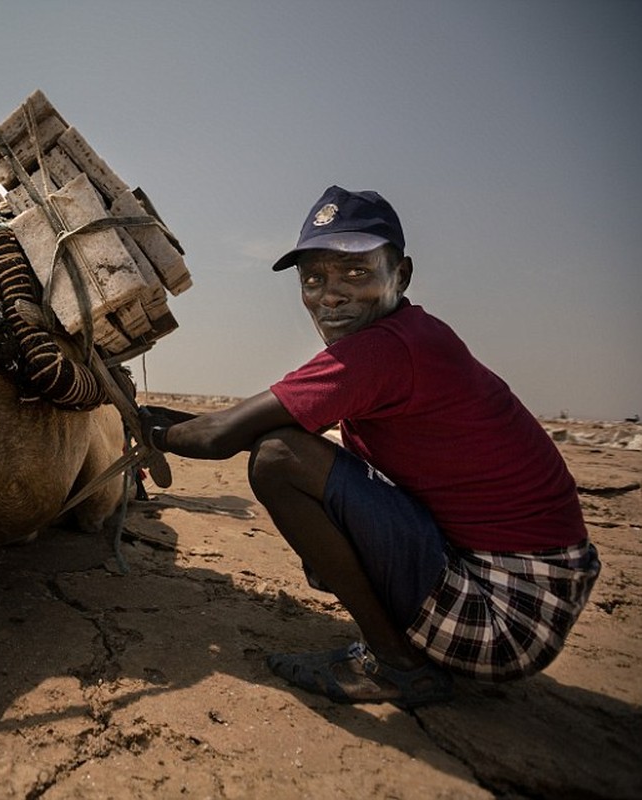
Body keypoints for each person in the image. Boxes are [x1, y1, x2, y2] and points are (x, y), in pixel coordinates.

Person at [142, 185, 599, 708]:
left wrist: (147, 428)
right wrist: (174, 423)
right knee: (314, 453)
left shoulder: (387, 349)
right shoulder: (412, 335)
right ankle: (403, 641)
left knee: (279, 458)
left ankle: (395, 666)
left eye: (355, 272)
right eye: (313, 278)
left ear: (400, 275)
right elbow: (229, 425)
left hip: (509, 613)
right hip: (528, 587)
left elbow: (222, 436)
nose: (328, 294)